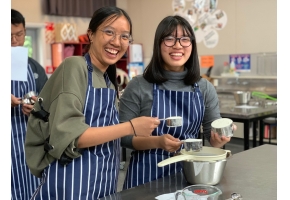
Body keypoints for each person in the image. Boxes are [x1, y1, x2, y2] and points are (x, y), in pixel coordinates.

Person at [25, 6, 160, 199]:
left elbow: (109, 135)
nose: (116, 42)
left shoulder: (107, 80)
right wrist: (131, 126)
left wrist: (158, 141)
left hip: (103, 182)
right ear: (91, 34)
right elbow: (73, 136)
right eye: (109, 32)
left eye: (124, 36)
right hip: (70, 184)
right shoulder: (74, 67)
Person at [119, 15, 237, 190]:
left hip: (192, 174)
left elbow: (212, 139)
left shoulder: (204, 87)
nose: (177, 45)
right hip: (145, 177)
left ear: (192, 45)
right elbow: (124, 137)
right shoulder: (138, 85)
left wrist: (220, 138)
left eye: (184, 39)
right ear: (158, 44)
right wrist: (157, 142)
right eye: (169, 39)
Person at [11, 9, 48, 200]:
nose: (15, 41)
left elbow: (48, 104)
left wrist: (37, 107)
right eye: (8, 36)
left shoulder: (34, 67)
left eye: (19, 34)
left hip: (29, 144)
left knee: (31, 190)